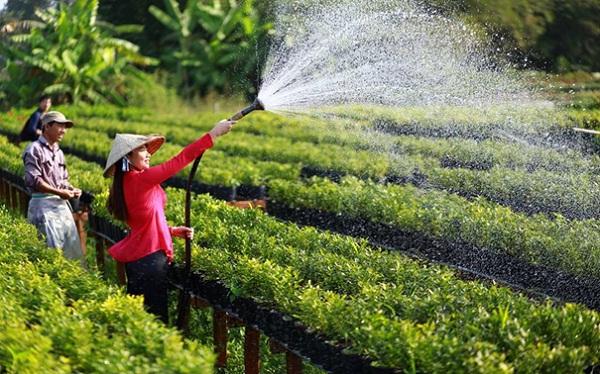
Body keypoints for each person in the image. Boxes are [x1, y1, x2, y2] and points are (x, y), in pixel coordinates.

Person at [103, 119, 235, 324]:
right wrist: (213, 134)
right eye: (142, 150)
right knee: (155, 320)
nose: (148, 154)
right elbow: (178, 161)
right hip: (150, 262)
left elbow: (143, 221)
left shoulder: (127, 182)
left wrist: (171, 230)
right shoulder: (139, 179)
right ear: (128, 156)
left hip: (140, 261)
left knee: (142, 320)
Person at [22, 111, 86, 265]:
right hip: (43, 208)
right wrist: (59, 192)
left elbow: (62, 180)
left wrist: (72, 190)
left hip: (61, 207)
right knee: (50, 254)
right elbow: (34, 180)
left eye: (65, 127)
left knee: (71, 253)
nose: (63, 131)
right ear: (47, 126)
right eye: (60, 126)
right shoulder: (34, 150)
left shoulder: (59, 152)